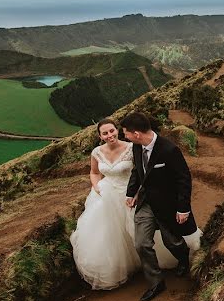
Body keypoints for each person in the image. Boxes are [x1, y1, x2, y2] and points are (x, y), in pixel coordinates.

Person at [70, 118, 177, 289]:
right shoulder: (96, 152)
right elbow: (94, 172)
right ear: (100, 136)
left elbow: (141, 172)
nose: (109, 135)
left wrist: (137, 192)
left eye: (112, 131)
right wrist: (97, 187)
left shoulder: (131, 148)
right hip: (106, 195)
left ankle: (158, 262)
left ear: (117, 130)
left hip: (131, 194)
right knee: (110, 233)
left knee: (140, 231)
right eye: (105, 133)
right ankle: (127, 267)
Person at [122, 112, 199, 301]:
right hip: (146, 203)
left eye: (126, 133)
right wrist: (131, 193)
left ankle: (183, 259)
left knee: (172, 242)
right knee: (141, 243)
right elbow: (137, 171)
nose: (125, 137)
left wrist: (183, 209)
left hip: (167, 205)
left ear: (137, 133)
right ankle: (156, 282)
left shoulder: (169, 150)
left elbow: (183, 180)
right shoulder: (137, 147)